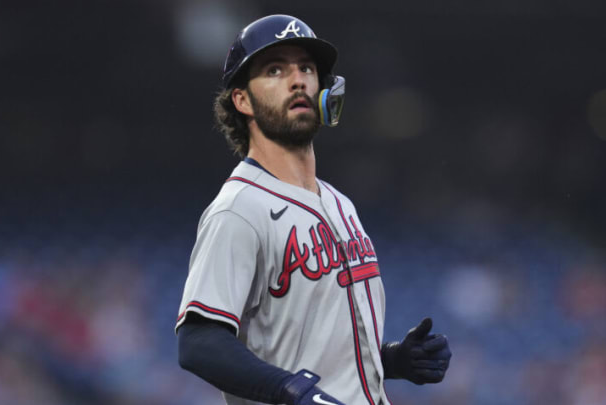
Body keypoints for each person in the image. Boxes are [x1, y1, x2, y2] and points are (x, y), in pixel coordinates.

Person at [176, 14, 451, 405]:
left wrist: (389, 360)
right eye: (275, 70)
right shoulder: (238, 209)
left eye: (307, 68)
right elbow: (198, 341)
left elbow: (304, 343)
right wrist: (290, 391)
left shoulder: (340, 204)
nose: (298, 79)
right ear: (242, 99)